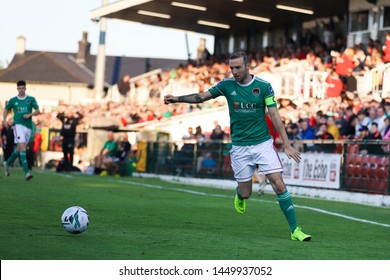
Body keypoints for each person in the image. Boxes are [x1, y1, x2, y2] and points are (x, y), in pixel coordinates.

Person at [164, 51, 311, 242]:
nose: (234, 71)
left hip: (262, 144)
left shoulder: (263, 87)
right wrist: (177, 99)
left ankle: (295, 230)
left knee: (279, 184)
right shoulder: (226, 86)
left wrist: (287, 145)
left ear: (247, 66)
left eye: (238, 68)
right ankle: (239, 195)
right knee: (246, 193)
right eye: (231, 68)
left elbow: (275, 116)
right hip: (240, 148)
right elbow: (201, 97)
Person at [2, 80, 40, 180]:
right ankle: (27, 173)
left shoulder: (31, 99)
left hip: (28, 127)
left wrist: (30, 114)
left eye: (23, 88)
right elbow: (6, 109)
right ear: (17, 89)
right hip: (17, 126)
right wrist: (4, 119)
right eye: (19, 88)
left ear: (25, 88)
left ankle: (7, 163)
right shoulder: (13, 100)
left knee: (19, 149)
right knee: (23, 148)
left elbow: (37, 111)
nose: (21, 90)